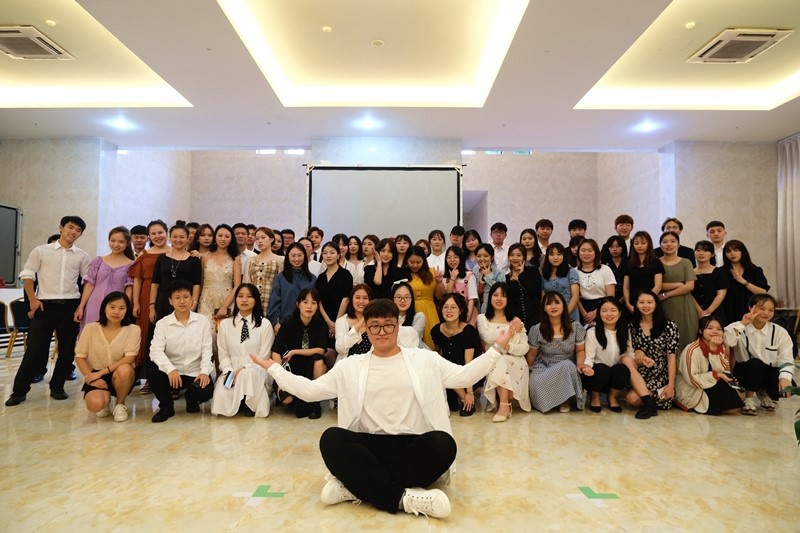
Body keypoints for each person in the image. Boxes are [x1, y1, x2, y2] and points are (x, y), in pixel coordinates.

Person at [248, 298, 521, 519]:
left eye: (388, 326)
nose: (381, 332)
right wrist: (274, 369)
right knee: (331, 439)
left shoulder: (425, 359)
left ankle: (357, 488)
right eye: (375, 326)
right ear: (366, 329)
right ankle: (404, 499)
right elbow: (310, 391)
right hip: (370, 444)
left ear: (398, 326)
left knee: (444, 444)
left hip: (411, 444)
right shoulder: (350, 366)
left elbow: (464, 376)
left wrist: (500, 344)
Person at [6, 216, 91, 407]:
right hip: (45, 305)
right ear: (61, 227)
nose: (73, 232)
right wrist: (33, 300)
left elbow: (88, 282)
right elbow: (28, 275)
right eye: (70, 227)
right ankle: (19, 391)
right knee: (34, 349)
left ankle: (57, 387)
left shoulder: (82, 256)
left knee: (67, 350)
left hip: (70, 306)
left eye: (78, 230)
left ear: (80, 234)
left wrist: (81, 307)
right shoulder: (41, 251)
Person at [148, 280, 214, 422]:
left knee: (206, 392)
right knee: (153, 372)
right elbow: (155, 351)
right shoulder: (162, 324)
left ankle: (192, 398)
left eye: (185, 297)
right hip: (172, 373)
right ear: (170, 301)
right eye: (177, 298)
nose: (182, 301)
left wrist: (204, 372)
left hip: (195, 372)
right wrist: (170, 369)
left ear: (192, 299)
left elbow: (207, 349)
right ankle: (166, 407)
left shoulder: (202, 321)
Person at [211, 284, 275, 418]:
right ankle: (241, 401)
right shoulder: (225, 325)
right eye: (240, 296)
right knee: (221, 393)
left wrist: (244, 368)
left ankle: (251, 404)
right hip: (232, 370)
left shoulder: (265, 324)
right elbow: (223, 355)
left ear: (256, 300)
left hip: (257, 369)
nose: (244, 300)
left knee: (248, 373)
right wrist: (229, 372)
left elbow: (264, 356)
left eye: (249, 296)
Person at [724, 294, 795, 415]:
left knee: (788, 384)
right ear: (750, 308)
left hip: (768, 372)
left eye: (771, 310)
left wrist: (785, 378)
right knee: (755, 365)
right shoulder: (738, 326)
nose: (766, 313)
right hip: (745, 372)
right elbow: (728, 341)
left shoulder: (779, 332)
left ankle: (764, 393)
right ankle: (748, 398)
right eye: (762, 308)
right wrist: (743, 324)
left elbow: (786, 357)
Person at [74, 292, 139, 421]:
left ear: (127, 310)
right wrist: (90, 377)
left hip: (119, 373)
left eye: (122, 308)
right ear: (104, 308)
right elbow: (80, 357)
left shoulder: (133, 329)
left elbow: (129, 358)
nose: (116, 312)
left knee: (125, 369)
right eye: (112, 307)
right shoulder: (90, 328)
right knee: (95, 405)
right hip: (95, 373)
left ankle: (120, 404)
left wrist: (101, 373)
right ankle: (105, 401)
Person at [270, 288, 328, 419]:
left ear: (317, 306)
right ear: (298, 304)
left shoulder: (321, 325)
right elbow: (276, 350)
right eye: (305, 302)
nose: (309, 306)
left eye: (313, 303)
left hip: (311, 366)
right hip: (292, 367)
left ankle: (316, 404)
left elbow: (321, 350)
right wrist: (280, 375)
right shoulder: (288, 324)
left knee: (318, 359)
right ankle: (295, 400)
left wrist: (296, 351)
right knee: (287, 399)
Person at [622, 291, 680, 420]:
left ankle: (651, 400)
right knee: (631, 398)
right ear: (636, 305)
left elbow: (671, 357)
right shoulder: (632, 326)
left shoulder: (669, 326)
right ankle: (649, 403)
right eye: (641, 302)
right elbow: (630, 350)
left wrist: (671, 385)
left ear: (656, 304)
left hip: (660, 370)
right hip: (641, 368)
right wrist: (638, 352)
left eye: (649, 302)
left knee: (633, 398)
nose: (645, 305)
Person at [478, 283, 531, 421]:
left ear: (508, 299)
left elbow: (524, 348)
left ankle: (504, 405)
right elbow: (487, 337)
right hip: (493, 360)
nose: (499, 299)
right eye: (495, 295)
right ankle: (505, 405)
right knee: (499, 360)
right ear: (490, 297)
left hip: (516, 360)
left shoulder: (516, 320)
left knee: (501, 360)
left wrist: (508, 347)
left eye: (503, 296)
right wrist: (511, 331)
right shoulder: (483, 318)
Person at [527, 291, 587, 413]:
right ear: (544, 308)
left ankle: (564, 400)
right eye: (549, 304)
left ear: (564, 305)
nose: (553, 306)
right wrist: (525, 373)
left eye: (557, 303)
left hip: (568, 367)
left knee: (567, 365)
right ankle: (552, 402)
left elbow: (580, 350)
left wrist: (580, 364)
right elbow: (532, 354)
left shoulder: (576, 327)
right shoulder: (537, 329)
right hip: (544, 366)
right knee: (535, 381)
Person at [130, 219, 171, 393]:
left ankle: (169, 378)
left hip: (169, 296)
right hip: (147, 297)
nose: (157, 236)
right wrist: (136, 302)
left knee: (170, 337)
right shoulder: (144, 255)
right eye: (153, 233)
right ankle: (149, 378)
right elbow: (137, 280)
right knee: (148, 336)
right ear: (149, 236)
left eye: (160, 232)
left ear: (166, 233)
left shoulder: (174, 252)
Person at [675, 316, 743, 415]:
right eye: (710, 328)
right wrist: (717, 375)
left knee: (734, 409)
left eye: (719, 329)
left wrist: (713, 349)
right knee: (726, 408)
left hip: (711, 382)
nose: (715, 331)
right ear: (700, 331)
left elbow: (724, 369)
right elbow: (692, 380)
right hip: (693, 388)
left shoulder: (721, 347)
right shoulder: (692, 350)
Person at [431, 293, 483, 416]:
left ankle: (466, 400)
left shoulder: (468, 331)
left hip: (467, 373)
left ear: (460, 311)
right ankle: (459, 397)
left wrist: (469, 392)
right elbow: (436, 355)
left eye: (453, 307)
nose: (449, 311)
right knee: (451, 405)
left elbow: (469, 364)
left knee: (450, 372)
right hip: (447, 372)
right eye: (445, 307)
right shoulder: (436, 330)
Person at [74, 226, 135, 332]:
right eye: (113, 240)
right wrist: (81, 307)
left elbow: (129, 289)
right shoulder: (98, 261)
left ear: (127, 243)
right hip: (94, 304)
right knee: (91, 334)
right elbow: (89, 285)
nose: (116, 245)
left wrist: (126, 308)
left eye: (121, 242)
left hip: (116, 307)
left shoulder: (131, 265)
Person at [580, 297, 632, 413]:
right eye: (604, 311)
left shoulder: (625, 332)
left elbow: (629, 354)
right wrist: (587, 368)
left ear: (619, 313)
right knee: (602, 369)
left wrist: (640, 359)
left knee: (622, 369)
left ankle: (612, 397)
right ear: (599, 313)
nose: (609, 314)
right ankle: (595, 397)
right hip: (596, 376)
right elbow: (589, 357)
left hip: (614, 379)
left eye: (613, 310)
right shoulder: (592, 332)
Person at [149, 221, 202, 322]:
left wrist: (194, 304)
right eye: (175, 237)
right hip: (163, 301)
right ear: (170, 238)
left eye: (182, 237)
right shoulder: (162, 258)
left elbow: (196, 284)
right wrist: (152, 306)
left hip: (184, 302)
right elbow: (155, 283)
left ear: (187, 238)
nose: (178, 240)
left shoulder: (194, 259)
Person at [657, 231, 698, 351]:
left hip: (685, 304)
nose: (669, 244)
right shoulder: (656, 262)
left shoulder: (686, 262)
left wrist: (667, 294)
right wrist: (678, 284)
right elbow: (657, 285)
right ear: (660, 245)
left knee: (687, 337)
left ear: (678, 244)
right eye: (665, 242)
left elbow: (689, 286)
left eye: (673, 241)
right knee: (667, 338)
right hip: (664, 305)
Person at [198, 224, 242, 329]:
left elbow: (237, 285)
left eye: (227, 236)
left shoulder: (235, 259)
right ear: (215, 237)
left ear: (231, 239)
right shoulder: (205, 257)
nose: (223, 239)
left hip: (227, 299)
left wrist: (225, 306)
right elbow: (200, 282)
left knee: (224, 331)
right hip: (206, 299)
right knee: (206, 331)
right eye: (220, 235)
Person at [267, 242, 317, 331]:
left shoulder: (312, 279)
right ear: (288, 257)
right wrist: (275, 323)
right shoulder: (281, 277)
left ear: (304, 256)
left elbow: (316, 303)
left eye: (299, 255)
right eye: (293, 256)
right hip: (283, 325)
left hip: (307, 325)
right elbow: (274, 302)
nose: (296, 259)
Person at [721, 240, 769, 325]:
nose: (732, 254)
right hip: (728, 311)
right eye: (728, 251)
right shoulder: (721, 271)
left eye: (736, 250)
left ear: (742, 252)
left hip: (750, 311)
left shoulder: (754, 270)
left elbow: (763, 292)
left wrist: (743, 281)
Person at [406, 245, 445, 347]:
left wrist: (439, 282)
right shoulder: (403, 274)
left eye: (419, 262)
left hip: (429, 311)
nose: (415, 265)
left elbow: (440, 296)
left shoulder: (432, 272)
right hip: (410, 310)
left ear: (424, 260)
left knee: (432, 341)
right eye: (412, 262)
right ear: (406, 260)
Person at [315, 241, 354, 341]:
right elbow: (318, 301)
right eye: (325, 253)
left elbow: (346, 299)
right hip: (323, 320)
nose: (328, 256)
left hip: (341, 319)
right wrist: (328, 321)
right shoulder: (321, 277)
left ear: (338, 255)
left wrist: (337, 322)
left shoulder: (345, 275)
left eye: (332, 252)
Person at [576, 238, 616, 326]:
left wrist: (596, 312)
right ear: (578, 253)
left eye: (590, 251)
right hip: (581, 309)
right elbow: (575, 297)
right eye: (583, 250)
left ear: (596, 252)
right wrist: (584, 314)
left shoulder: (605, 269)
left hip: (603, 307)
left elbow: (610, 295)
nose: (586, 253)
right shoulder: (574, 272)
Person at [623, 231, 664, 314]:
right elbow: (626, 287)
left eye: (643, 243)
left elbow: (658, 286)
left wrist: (646, 301)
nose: (639, 246)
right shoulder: (629, 263)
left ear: (649, 244)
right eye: (636, 243)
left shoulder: (656, 262)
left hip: (650, 302)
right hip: (632, 303)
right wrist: (627, 303)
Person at [504, 242, 542, 330]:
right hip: (516, 320)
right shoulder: (506, 278)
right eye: (512, 255)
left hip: (535, 316)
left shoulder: (533, 271)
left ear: (524, 257)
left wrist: (522, 274)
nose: (515, 258)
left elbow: (535, 292)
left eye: (518, 255)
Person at [245, 227, 283, 313]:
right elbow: (246, 282)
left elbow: (282, 284)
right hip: (253, 300)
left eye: (263, 237)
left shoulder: (280, 260)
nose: (260, 241)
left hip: (272, 301)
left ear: (271, 239)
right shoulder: (250, 260)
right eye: (257, 239)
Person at [542, 242, 581, 323]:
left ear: (564, 256)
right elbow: (543, 298)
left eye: (559, 254)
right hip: (551, 316)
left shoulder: (571, 272)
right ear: (547, 257)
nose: (555, 257)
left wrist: (564, 315)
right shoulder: (543, 275)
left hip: (570, 315)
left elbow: (575, 297)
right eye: (552, 254)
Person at [691, 240, 728, 323]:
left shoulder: (719, 272)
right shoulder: (690, 272)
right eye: (698, 250)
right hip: (694, 313)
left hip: (716, 312)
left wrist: (708, 312)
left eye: (705, 251)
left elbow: (720, 295)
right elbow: (689, 294)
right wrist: (699, 310)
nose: (701, 253)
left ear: (712, 254)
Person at [334, 284, 373, 362]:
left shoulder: (376, 321)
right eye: (357, 297)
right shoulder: (341, 321)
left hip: (370, 364)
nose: (361, 301)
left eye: (365, 298)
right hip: (348, 365)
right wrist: (358, 325)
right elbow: (340, 348)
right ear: (351, 299)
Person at [442, 245, 478, 326]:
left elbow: (471, 299)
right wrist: (452, 278)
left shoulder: (469, 275)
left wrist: (467, 317)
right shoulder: (445, 278)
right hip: (451, 316)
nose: (452, 260)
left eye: (455, 257)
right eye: (449, 257)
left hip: (469, 315)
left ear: (461, 259)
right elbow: (448, 296)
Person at [473, 243, 505, 315]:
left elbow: (501, 293)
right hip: (476, 312)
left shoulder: (500, 273)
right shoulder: (474, 272)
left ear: (492, 257)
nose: (482, 259)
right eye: (479, 256)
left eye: (486, 256)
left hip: (493, 313)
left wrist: (489, 275)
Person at [600, 235, 627, 302]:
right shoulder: (604, 264)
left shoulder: (629, 262)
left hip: (626, 297)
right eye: (611, 247)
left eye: (618, 246)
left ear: (623, 247)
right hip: (608, 297)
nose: (615, 249)